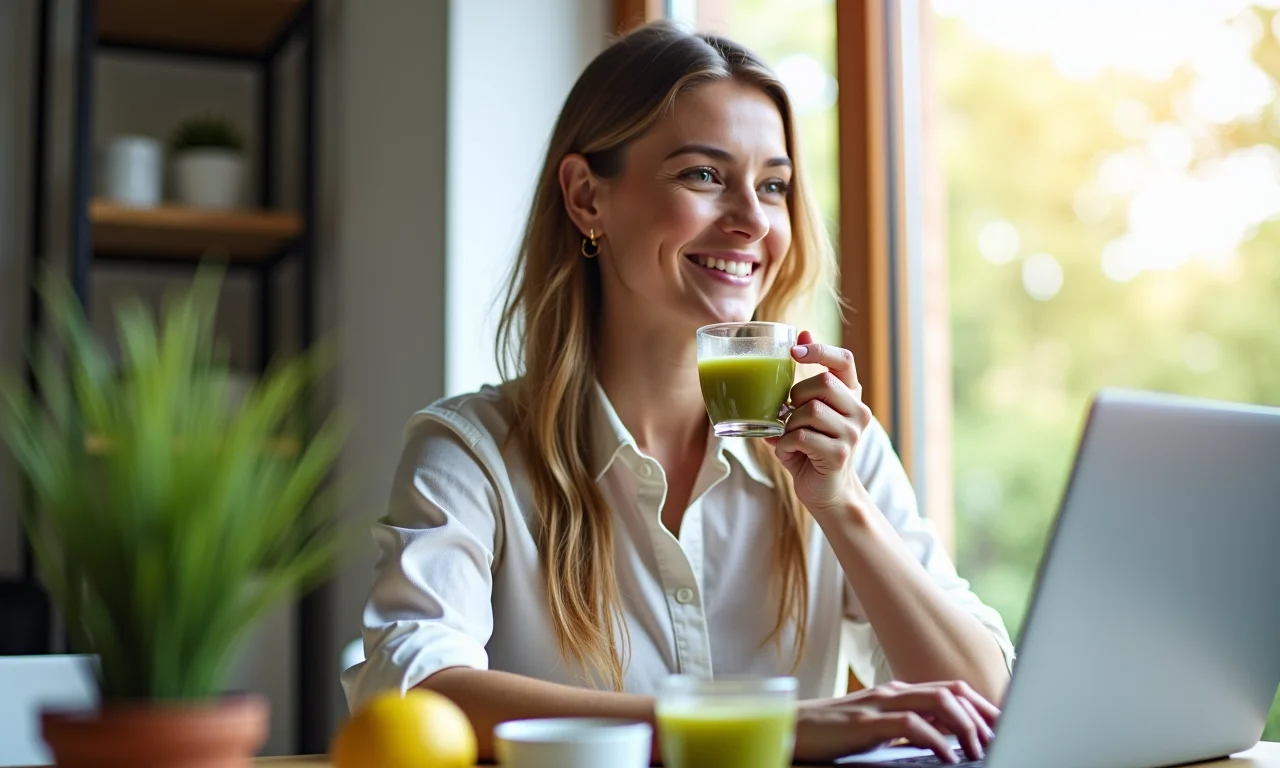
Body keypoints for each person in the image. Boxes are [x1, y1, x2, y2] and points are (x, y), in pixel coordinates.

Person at [341, 20, 1014, 765]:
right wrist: (769, 729)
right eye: (703, 175)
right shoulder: (473, 454)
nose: (753, 221)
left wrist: (843, 505)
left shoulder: (836, 448)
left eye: (774, 186)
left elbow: (986, 702)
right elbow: (414, 690)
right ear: (586, 198)